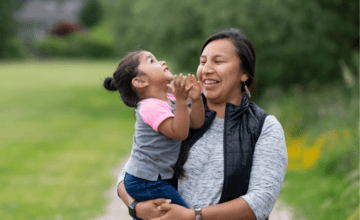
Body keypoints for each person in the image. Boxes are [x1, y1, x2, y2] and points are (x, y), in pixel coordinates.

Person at [117, 28, 288, 220]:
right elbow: (132, 170)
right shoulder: (180, 111)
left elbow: (261, 201)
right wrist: (135, 208)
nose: (206, 69)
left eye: (218, 61)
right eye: (203, 61)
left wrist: (192, 216)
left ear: (244, 73)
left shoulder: (264, 127)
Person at [103, 50, 205, 219]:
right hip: (144, 180)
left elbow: (196, 123)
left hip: (153, 178)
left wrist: (195, 100)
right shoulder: (150, 106)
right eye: (152, 61)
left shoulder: (170, 99)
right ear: (140, 81)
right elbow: (179, 133)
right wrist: (181, 100)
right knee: (182, 215)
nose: (162, 61)